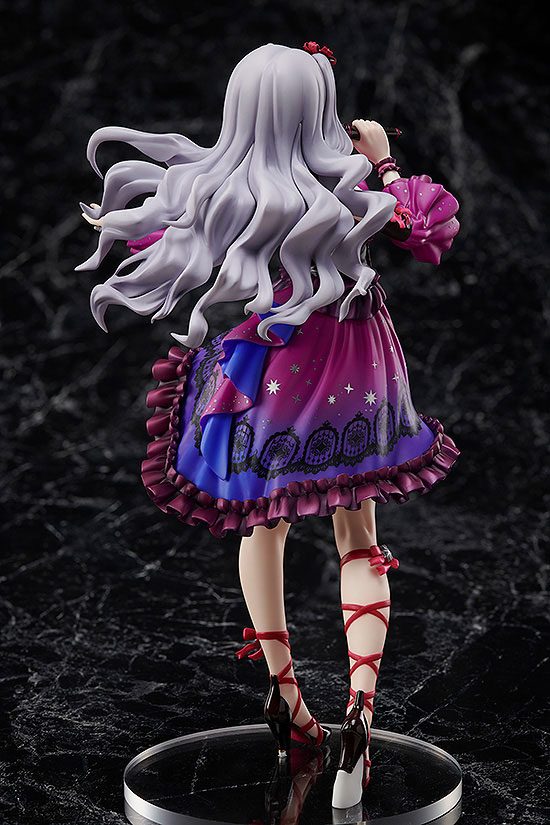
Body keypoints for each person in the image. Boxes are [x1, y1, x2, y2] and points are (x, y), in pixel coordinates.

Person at [77, 41, 460, 809]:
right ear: (319, 111)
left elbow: (169, 236)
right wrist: (383, 162)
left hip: (273, 370)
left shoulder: (224, 185)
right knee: (359, 534)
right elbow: (426, 232)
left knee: (265, 525)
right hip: (357, 364)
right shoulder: (349, 184)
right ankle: (360, 713)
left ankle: (290, 702)